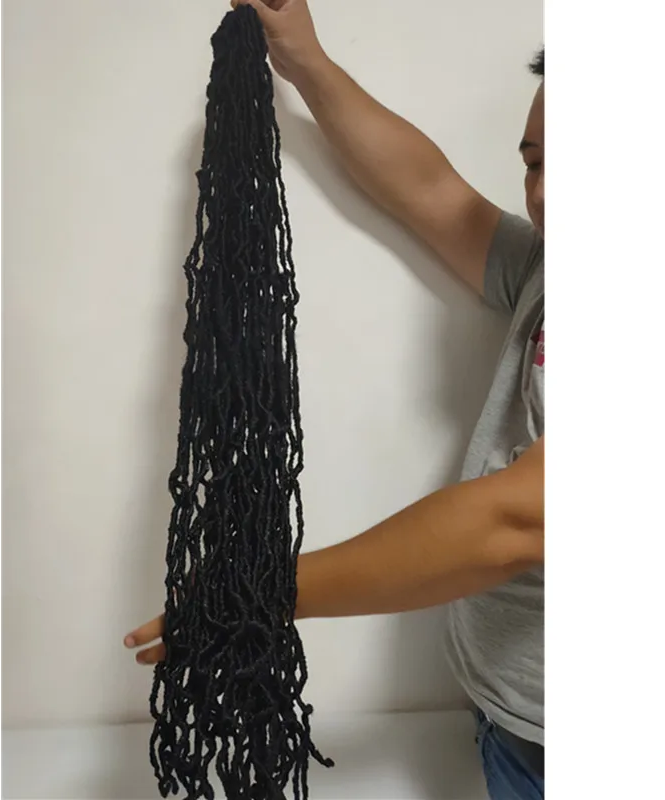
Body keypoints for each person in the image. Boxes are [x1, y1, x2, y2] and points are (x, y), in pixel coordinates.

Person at [125, 1, 544, 798]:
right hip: (509, 716)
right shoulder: (549, 270)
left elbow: (521, 519)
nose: (546, 196)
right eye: (535, 162)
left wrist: (251, 597)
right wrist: (306, 61)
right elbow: (433, 192)